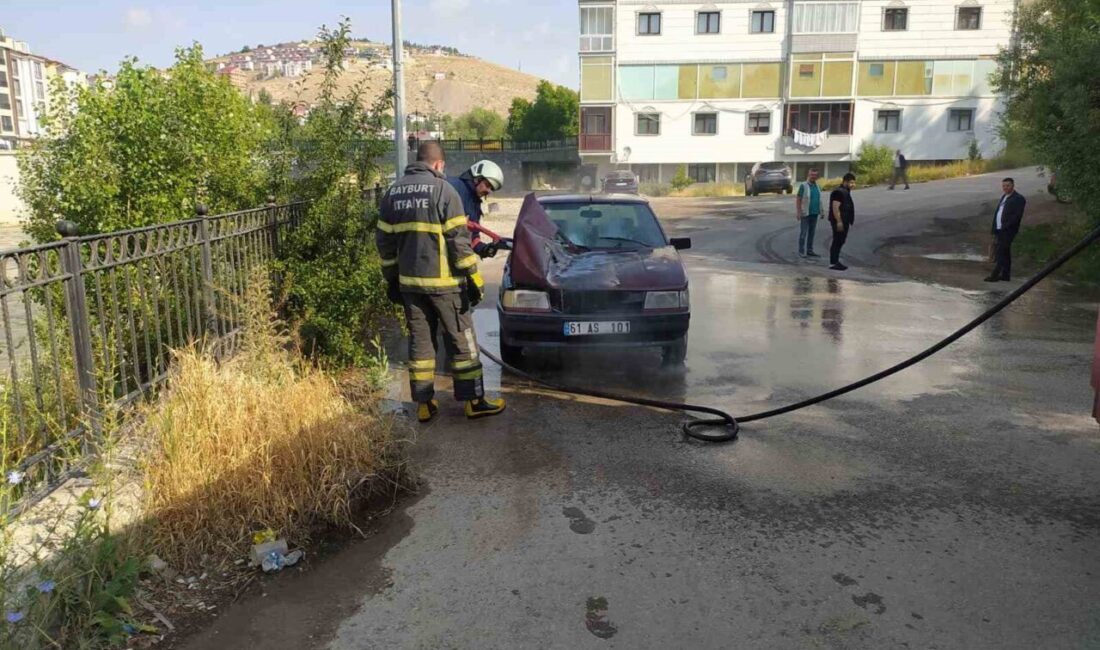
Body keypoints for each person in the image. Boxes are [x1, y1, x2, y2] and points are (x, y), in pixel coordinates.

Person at [376, 142, 506, 422]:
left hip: (410, 287)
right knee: (463, 343)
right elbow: (459, 243)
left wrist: (392, 280)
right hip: (446, 286)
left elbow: (385, 245)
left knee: (420, 346)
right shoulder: (444, 191)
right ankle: (474, 401)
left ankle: (424, 404)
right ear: (438, 164)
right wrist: (474, 278)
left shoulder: (392, 193)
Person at [448, 160, 505, 258]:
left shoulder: (475, 203)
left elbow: (472, 236)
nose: (488, 191)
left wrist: (484, 249)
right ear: (477, 178)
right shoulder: (452, 187)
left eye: (491, 188)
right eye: (487, 185)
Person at [985, 177, 1026, 282]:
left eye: (1007, 185)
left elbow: (1017, 216)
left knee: (1000, 252)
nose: (1005, 188)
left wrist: (1006, 226)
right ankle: (1005, 276)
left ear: (1013, 185)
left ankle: (994, 275)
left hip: (1008, 230)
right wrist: (994, 229)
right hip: (999, 229)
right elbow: (998, 213)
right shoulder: (1004, 197)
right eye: (1003, 186)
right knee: (1005, 253)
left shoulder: (1019, 198)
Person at [828, 173, 857, 271]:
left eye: (854, 183)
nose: (853, 185)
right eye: (851, 183)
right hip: (839, 220)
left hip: (844, 220)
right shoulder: (839, 192)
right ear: (845, 182)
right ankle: (833, 262)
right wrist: (839, 221)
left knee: (841, 240)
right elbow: (835, 207)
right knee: (837, 240)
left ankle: (835, 261)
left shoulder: (845, 191)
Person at [795, 168, 824, 259]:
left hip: (814, 213)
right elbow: (799, 199)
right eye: (812, 175)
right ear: (808, 175)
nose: (813, 177)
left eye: (815, 175)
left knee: (812, 233)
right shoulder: (803, 186)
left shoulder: (818, 187)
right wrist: (798, 211)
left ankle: (810, 250)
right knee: (803, 233)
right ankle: (801, 251)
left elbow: (819, 200)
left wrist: (822, 211)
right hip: (805, 213)